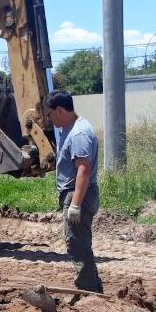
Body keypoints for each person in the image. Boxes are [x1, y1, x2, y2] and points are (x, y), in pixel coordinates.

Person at [45, 90, 102, 293]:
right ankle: (92, 287)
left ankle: (88, 291)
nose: (49, 119)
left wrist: (75, 204)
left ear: (59, 110)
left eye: (50, 114)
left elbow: (83, 169)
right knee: (79, 242)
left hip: (79, 194)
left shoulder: (78, 133)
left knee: (76, 243)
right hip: (77, 192)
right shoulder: (69, 128)